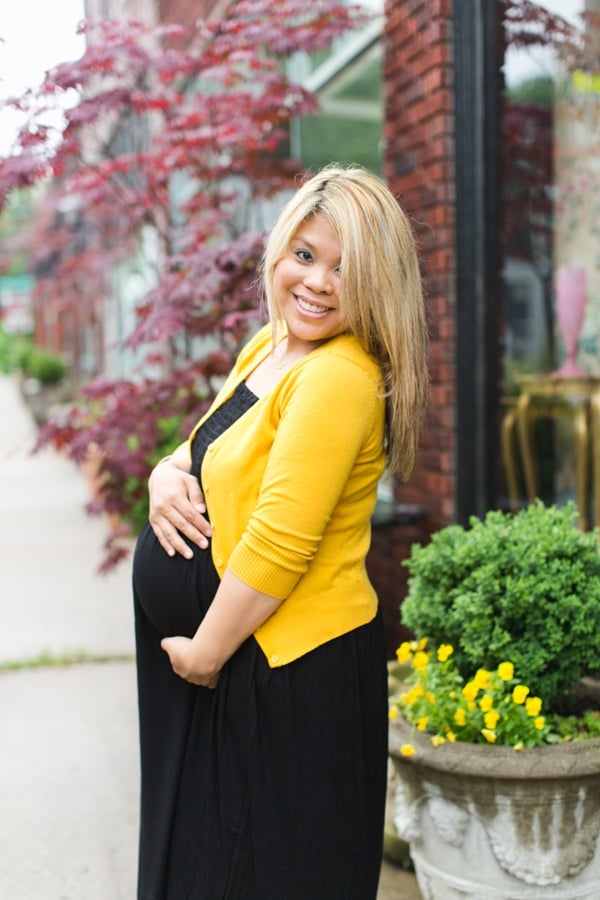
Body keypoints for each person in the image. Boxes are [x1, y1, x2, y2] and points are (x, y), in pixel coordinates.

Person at [132, 164, 428, 899]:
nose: (319, 282)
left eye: (345, 268)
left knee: (266, 875)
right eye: (306, 255)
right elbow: (200, 447)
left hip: (285, 674)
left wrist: (205, 654)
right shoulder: (269, 349)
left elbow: (280, 542)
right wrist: (162, 475)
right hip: (234, 664)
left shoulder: (339, 377)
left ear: (377, 284)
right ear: (279, 252)